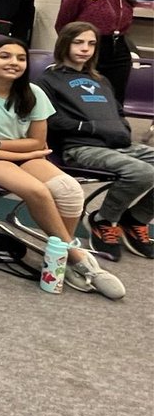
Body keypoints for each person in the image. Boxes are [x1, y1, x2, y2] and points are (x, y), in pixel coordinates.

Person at [0, 37, 123, 299]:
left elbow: (39, 141)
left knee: (70, 190)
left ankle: (57, 255)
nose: (13, 63)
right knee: (38, 192)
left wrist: (2, 143)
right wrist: (24, 148)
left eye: (20, 58)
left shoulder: (34, 93)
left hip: (21, 154)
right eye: (5, 56)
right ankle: (77, 258)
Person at [39, 22, 153, 260]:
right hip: (80, 147)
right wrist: (90, 127)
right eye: (78, 42)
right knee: (142, 173)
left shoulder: (101, 80)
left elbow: (117, 111)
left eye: (91, 43)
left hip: (117, 144)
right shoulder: (49, 79)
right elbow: (49, 120)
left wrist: (122, 128)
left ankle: (136, 219)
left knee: (142, 168)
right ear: (65, 44)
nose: (85, 48)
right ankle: (103, 219)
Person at [55, 0, 137, 103]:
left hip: (119, 51)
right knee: (86, 96)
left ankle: (114, 126)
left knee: (114, 97)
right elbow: (62, 26)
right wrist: (75, 48)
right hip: (89, 49)